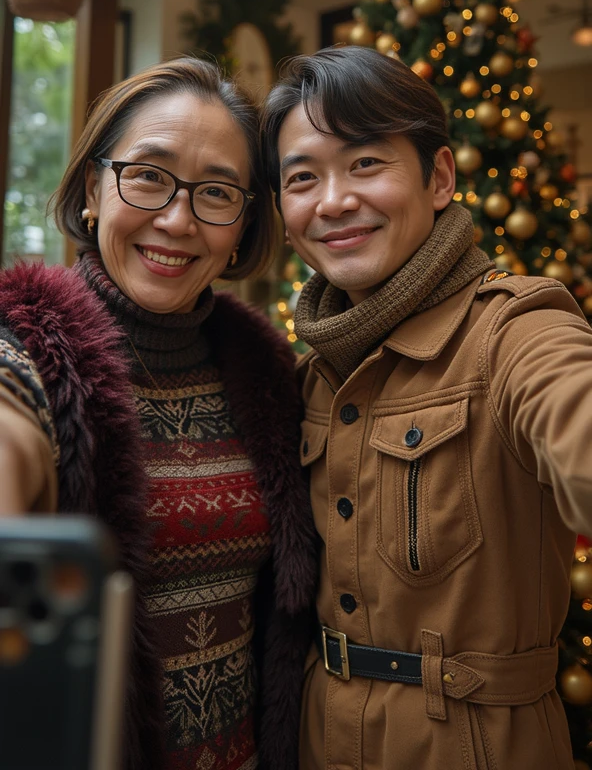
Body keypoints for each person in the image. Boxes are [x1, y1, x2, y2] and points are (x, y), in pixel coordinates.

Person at [261, 44, 592, 770]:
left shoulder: (513, 330)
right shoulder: (308, 376)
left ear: (438, 177)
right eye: (302, 178)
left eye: (366, 164)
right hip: (318, 739)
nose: (334, 200)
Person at [0, 57, 316, 770]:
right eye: (148, 175)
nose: (177, 220)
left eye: (216, 193)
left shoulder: (267, 375)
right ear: (93, 189)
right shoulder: (30, 351)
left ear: (240, 226)